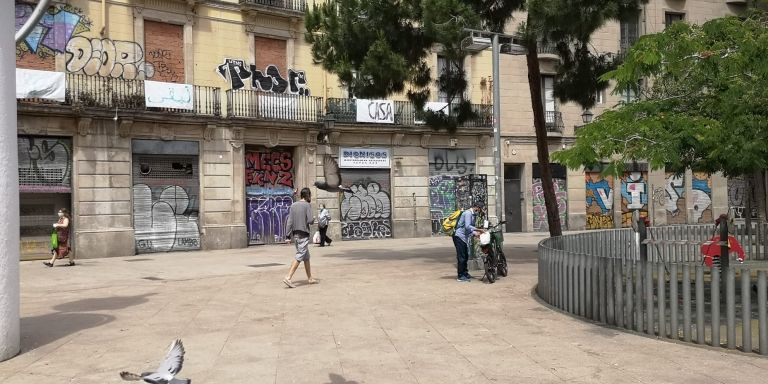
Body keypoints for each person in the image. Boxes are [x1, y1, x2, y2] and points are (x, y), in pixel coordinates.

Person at [283, 188, 317, 288]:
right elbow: (310, 220)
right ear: (307, 195)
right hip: (303, 235)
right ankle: (288, 277)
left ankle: (310, 278)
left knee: (306, 257)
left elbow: (289, 221)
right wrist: (313, 218)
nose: (310, 197)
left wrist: (287, 235)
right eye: (310, 195)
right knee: (300, 256)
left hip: (296, 235)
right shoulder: (307, 205)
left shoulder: (293, 205)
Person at [452, 201, 484, 282]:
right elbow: (467, 226)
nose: (480, 210)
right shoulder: (468, 213)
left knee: (466, 256)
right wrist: (478, 229)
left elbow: (469, 229)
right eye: (480, 208)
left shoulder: (473, 214)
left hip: (464, 237)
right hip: (459, 237)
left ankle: (465, 273)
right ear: (476, 207)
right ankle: (460, 276)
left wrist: (476, 234)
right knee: (461, 257)